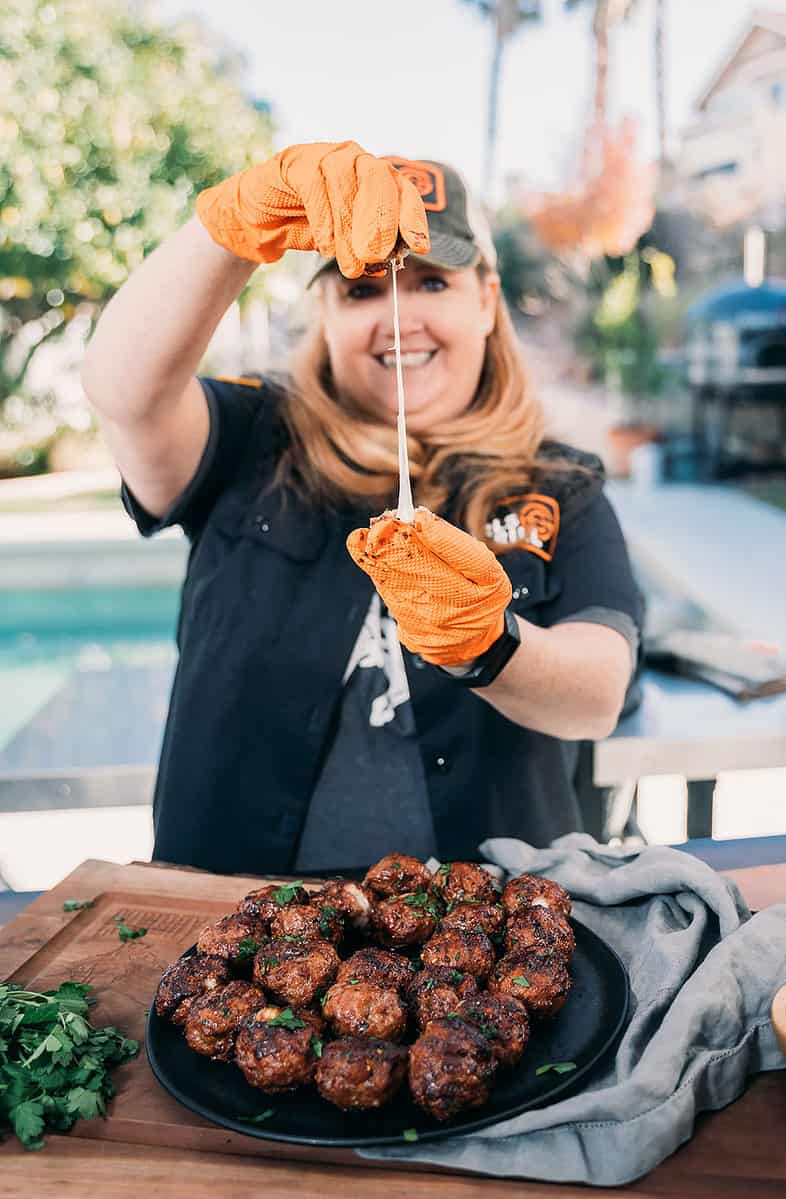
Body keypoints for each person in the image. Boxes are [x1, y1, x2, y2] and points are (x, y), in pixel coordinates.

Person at [81, 141, 643, 877]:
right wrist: (229, 225)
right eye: (361, 288)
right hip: (230, 932)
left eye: (432, 282)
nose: (398, 316)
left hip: (490, 952)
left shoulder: (562, 484)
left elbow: (597, 694)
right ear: (325, 311)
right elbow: (122, 390)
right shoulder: (251, 437)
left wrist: (490, 643)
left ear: (487, 302)